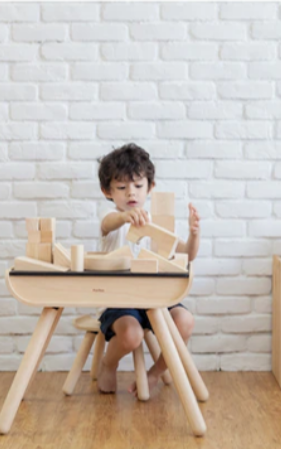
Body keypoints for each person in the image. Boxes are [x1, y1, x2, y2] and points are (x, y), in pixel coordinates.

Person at [96, 143, 200, 395]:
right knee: (132, 335)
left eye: (138, 186)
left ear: (150, 187)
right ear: (107, 191)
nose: (131, 193)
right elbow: (108, 223)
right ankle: (107, 364)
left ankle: (156, 372)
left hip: (157, 299)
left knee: (185, 322)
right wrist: (125, 216)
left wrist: (194, 234)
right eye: (121, 188)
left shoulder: (157, 222)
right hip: (120, 301)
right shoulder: (111, 218)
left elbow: (186, 254)